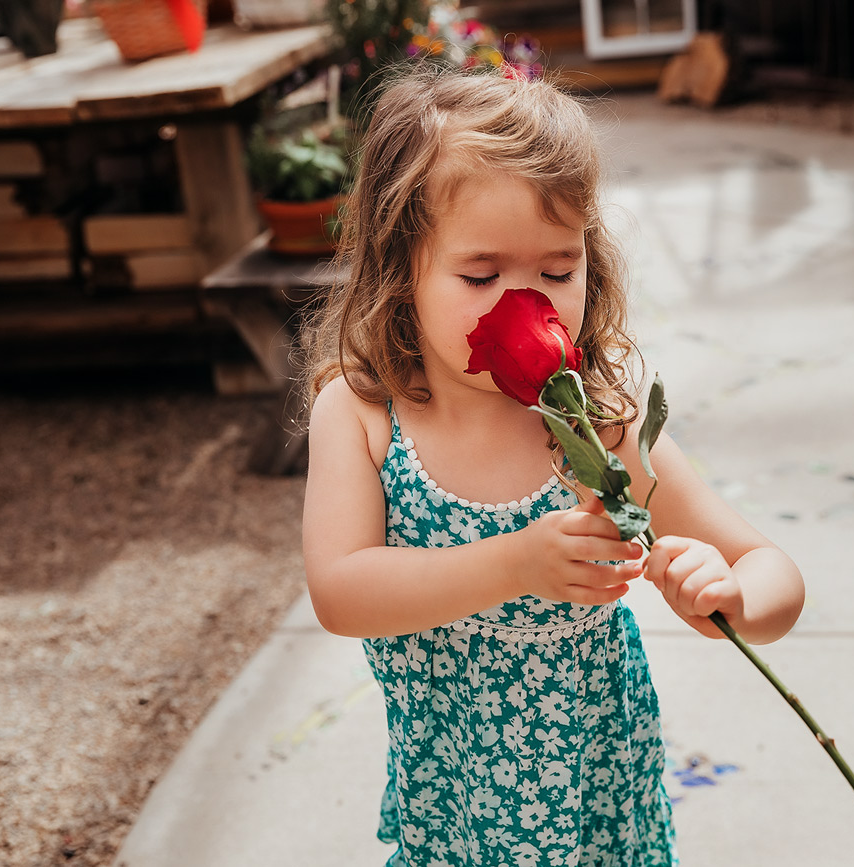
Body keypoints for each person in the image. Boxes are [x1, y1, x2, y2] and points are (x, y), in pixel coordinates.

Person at [302, 66, 805, 867]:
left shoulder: (601, 424)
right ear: (402, 271)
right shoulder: (365, 416)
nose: (524, 300)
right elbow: (341, 590)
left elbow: (773, 573)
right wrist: (514, 562)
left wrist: (733, 594)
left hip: (597, 806)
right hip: (454, 808)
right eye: (481, 274)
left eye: (557, 270)